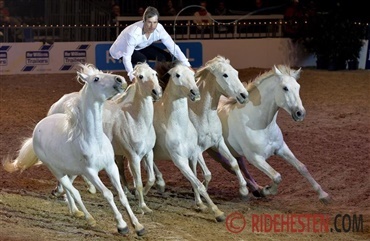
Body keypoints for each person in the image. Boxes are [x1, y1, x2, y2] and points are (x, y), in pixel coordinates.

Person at [109, 6, 191, 81]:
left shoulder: (159, 29)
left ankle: (162, 81)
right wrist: (131, 76)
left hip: (139, 46)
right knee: (142, 59)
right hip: (119, 50)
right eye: (149, 22)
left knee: (165, 57)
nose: (152, 26)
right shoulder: (133, 33)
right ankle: (144, 83)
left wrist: (187, 65)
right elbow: (127, 57)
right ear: (143, 21)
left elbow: (174, 48)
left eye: (155, 22)